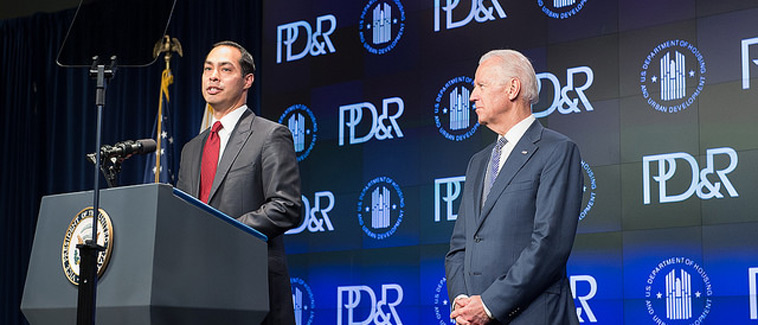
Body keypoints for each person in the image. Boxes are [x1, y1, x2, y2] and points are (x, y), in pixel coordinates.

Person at [445, 49, 583, 325]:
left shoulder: (557, 151)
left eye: (481, 85)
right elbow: (460, 245)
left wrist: (489, 305)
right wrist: (463, 301)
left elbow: (549, 245)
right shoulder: (478, 162)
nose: (472, 95)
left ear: (512, 88)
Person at [177, 41, 302, 325]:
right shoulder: (191, 148)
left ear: (247, 80)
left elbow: (287, 206)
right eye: (208, 68)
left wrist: (224, 231)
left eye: (225, 69)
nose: (213, 76)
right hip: (197, 290)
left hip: (251, 287)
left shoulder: (270, 135)